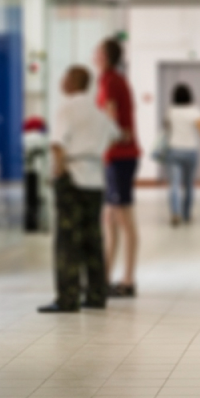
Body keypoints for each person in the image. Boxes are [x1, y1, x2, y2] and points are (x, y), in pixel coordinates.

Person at [39, 65, 120, 313]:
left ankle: (68, 298)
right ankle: (97, 295)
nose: (61, 81)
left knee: (67, 241)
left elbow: (57, 143)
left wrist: (58, 170)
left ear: (73, 81)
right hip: (95, 179)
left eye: (64, 76)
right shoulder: (98, 112)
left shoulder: (66, 108)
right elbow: (116, 134)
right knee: (93, 238)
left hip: (72, 176)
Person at [95, 37, 140, 297]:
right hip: (115, 156)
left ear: (106, 57)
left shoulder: (111, 80)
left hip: (120, 156)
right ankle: (106, 277)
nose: (94, 56)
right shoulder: (110, 79)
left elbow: (110, 120)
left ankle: (127, 280)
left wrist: (103, 142)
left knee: (123, 217)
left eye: (97, 53)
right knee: (110, 217)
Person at [163, 83, 200, 226]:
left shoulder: (170, 111)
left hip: (173, 151)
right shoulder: (195, 111)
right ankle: (187, 215)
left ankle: (175, 213)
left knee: (174, 185)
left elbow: (166, 128)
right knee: (189, 185)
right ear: (190, 95)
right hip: (190, 152)